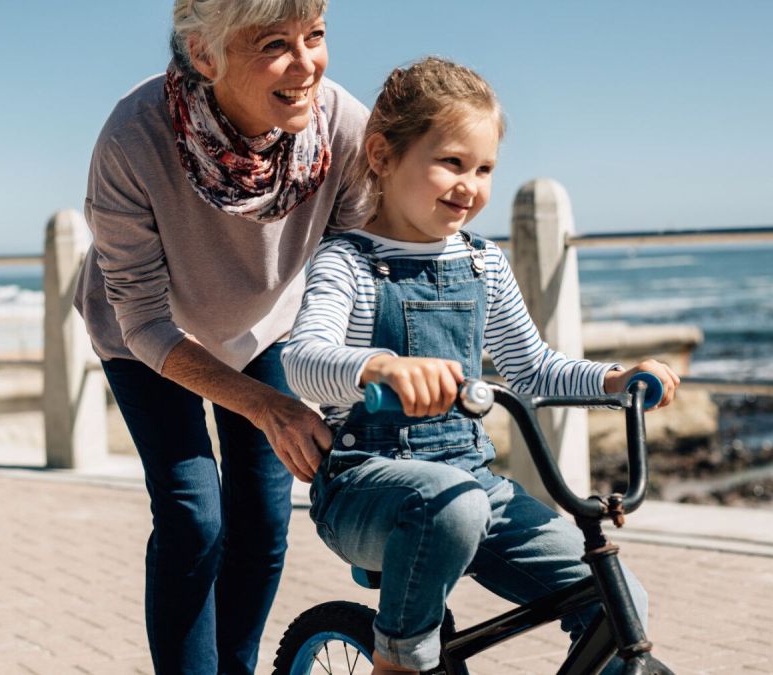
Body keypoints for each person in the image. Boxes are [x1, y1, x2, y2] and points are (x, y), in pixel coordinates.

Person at [281, 57, 681, 674]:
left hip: (476, 486)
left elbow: (533, 369)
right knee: (451, 504)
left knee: (619, 599)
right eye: (451, 163)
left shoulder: (482, 263)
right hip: (366, 486)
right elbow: (302, 361)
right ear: (384, 156)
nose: (469, 186)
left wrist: (614, 380)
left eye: (484, 168)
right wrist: (379, 368)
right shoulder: (348, 262)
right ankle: (398, 664)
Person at [72, 1, 372, 672]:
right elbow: (143, 320)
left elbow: (349, 276)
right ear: (205, 55)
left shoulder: (345, 129)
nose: (308, 63)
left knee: (264, 524)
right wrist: (267, 406)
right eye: (276, 44)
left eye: (315, 36)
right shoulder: (133, 137)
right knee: (193, 516)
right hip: (145, 335)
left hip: (266, 326)